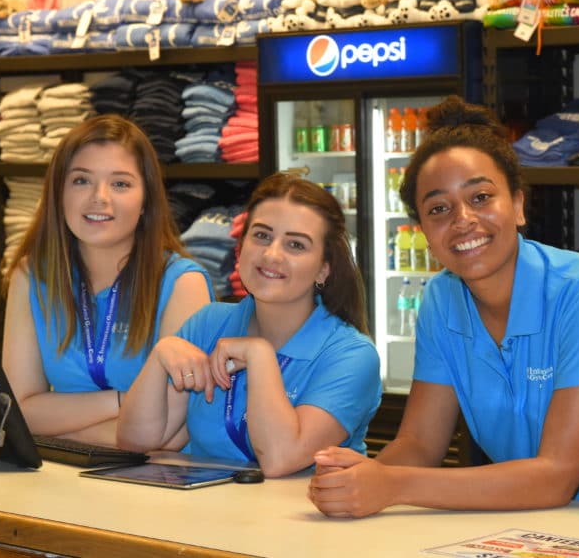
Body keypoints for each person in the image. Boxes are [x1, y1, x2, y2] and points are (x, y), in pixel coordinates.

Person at [309, 96, 579, 517]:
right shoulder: (441, 299)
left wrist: (391, 484)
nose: (462, 219)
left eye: (480, 197)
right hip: (526, 533)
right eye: (439, 209)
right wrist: (356, 480)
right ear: (423, 231)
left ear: (518, 205)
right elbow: (420, 444)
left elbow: (556, 476)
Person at [117, 173, 382, 477]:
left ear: (323, 270)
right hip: (208, 515)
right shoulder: (208, 322)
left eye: (296, 245)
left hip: (308, 519)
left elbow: (279, 459)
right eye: (262, 236)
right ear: (240, 248)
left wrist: (259, 355)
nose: (272, 254)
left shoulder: (352, 355)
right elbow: (136, 442)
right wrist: (160, 355)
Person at [2, 114, 213, 447]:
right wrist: (122, 401)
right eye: (81, 180)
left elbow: (168, 436)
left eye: (120, 184)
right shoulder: (31, 277)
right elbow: (18, 412)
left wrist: (58, 430)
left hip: (159, 483)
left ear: (146, 201)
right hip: (62, 480)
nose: (99, 197)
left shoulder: (183, 284)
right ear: (58, 193)